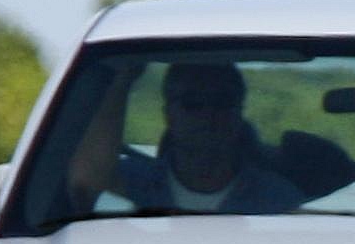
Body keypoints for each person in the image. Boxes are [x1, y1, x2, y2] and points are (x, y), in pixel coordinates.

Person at [64, 59, 306, 216]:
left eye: (222, 103)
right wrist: (121, 81)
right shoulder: (132, 182)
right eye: (193, 104)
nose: (208, 115)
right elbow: (85, 186)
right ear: (168, 113)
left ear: (239, 113)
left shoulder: (276, 199)